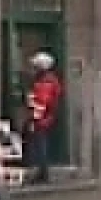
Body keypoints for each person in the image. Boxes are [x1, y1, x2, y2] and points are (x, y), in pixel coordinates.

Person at [24, 51, 62, 185]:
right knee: (39, 145)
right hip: (44, 117)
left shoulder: (46, 82)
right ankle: (41, 172)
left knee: (40, 145)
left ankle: (42, 173)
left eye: (36, 67)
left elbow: (42, 102)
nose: (33, 69)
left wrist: (34, 120)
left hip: (42, 119)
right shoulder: (46, 80)